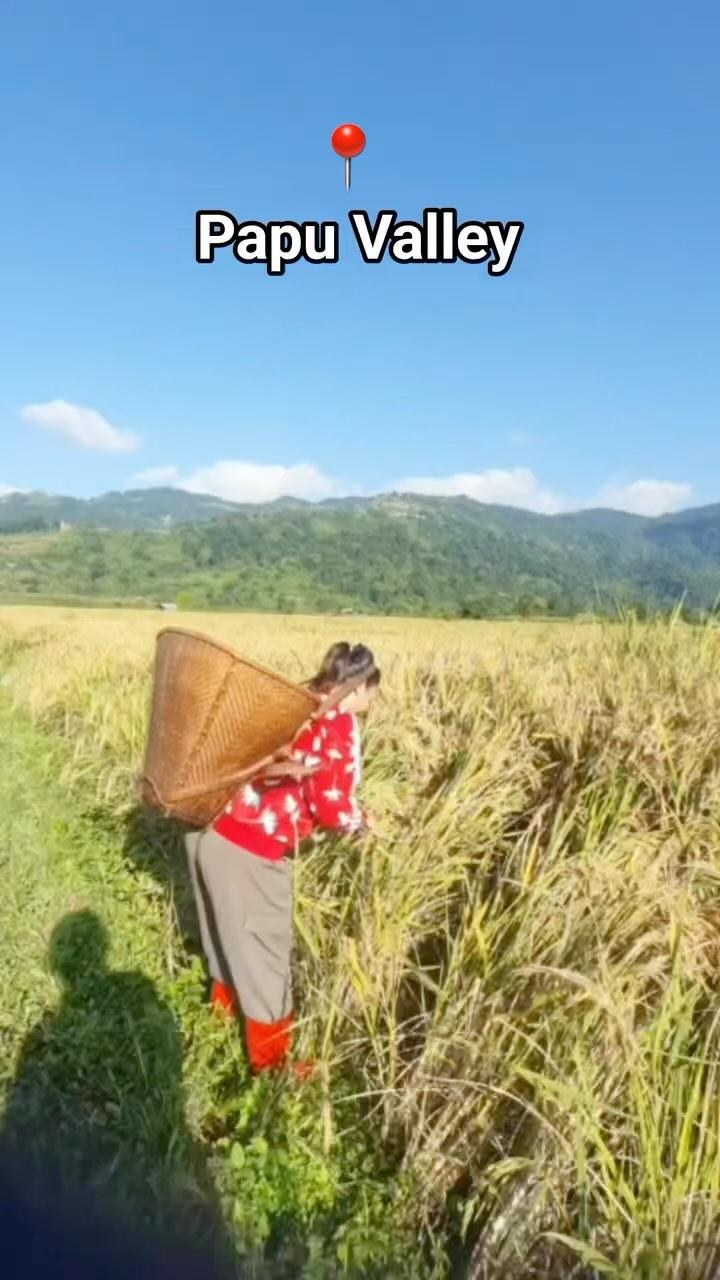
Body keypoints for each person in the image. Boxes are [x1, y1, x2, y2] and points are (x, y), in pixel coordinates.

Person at [185, 642, 381, 1076]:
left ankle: (218, 1027)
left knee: (226, 940)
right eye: (372, 694)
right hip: (252, 853)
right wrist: (363, 823)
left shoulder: (295, 699)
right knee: (266, 957)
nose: (371, 704)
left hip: (210, 834)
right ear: (361, 687)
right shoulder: (339, 723)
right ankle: (272, 1070)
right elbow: (330, 802)